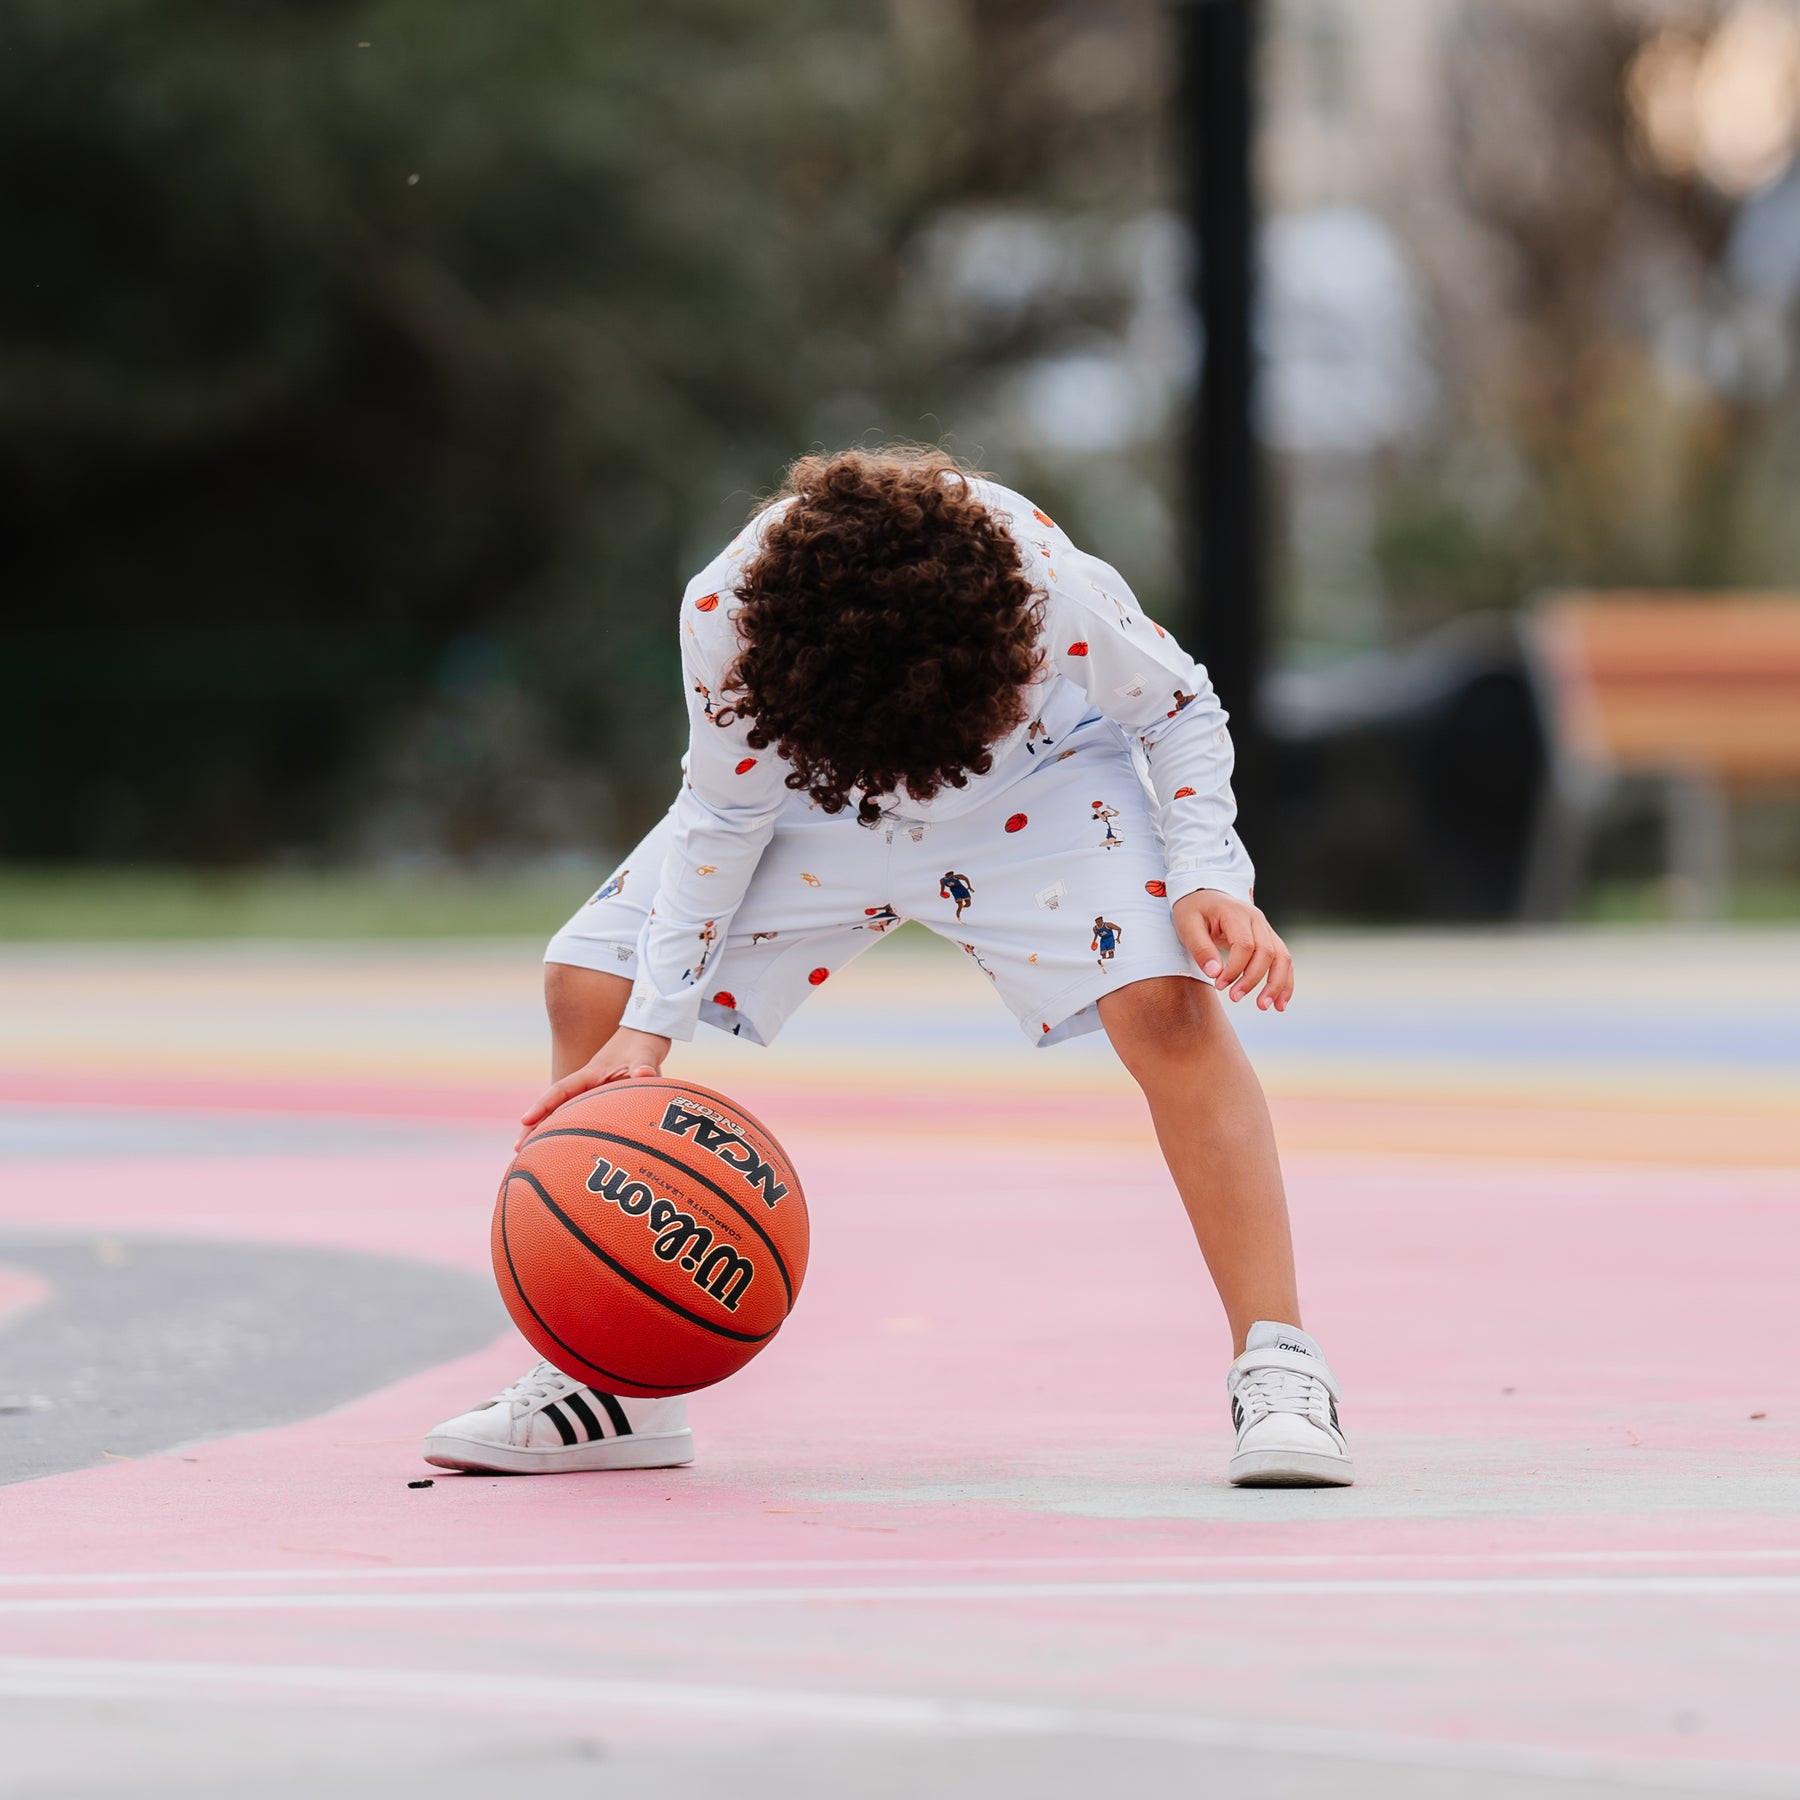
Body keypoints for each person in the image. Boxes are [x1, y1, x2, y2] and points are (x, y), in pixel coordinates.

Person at [423, 448, 1353, 1488]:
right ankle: (617, 1388)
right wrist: (652, 1019)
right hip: (822, 796)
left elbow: (1178, 707)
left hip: (1035, 786)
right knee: (587, 984)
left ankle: (1278, 1362)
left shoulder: (1043, 580)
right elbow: (726, 813)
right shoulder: (727, 614)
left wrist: (1205, 876)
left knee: (1167, 1009)